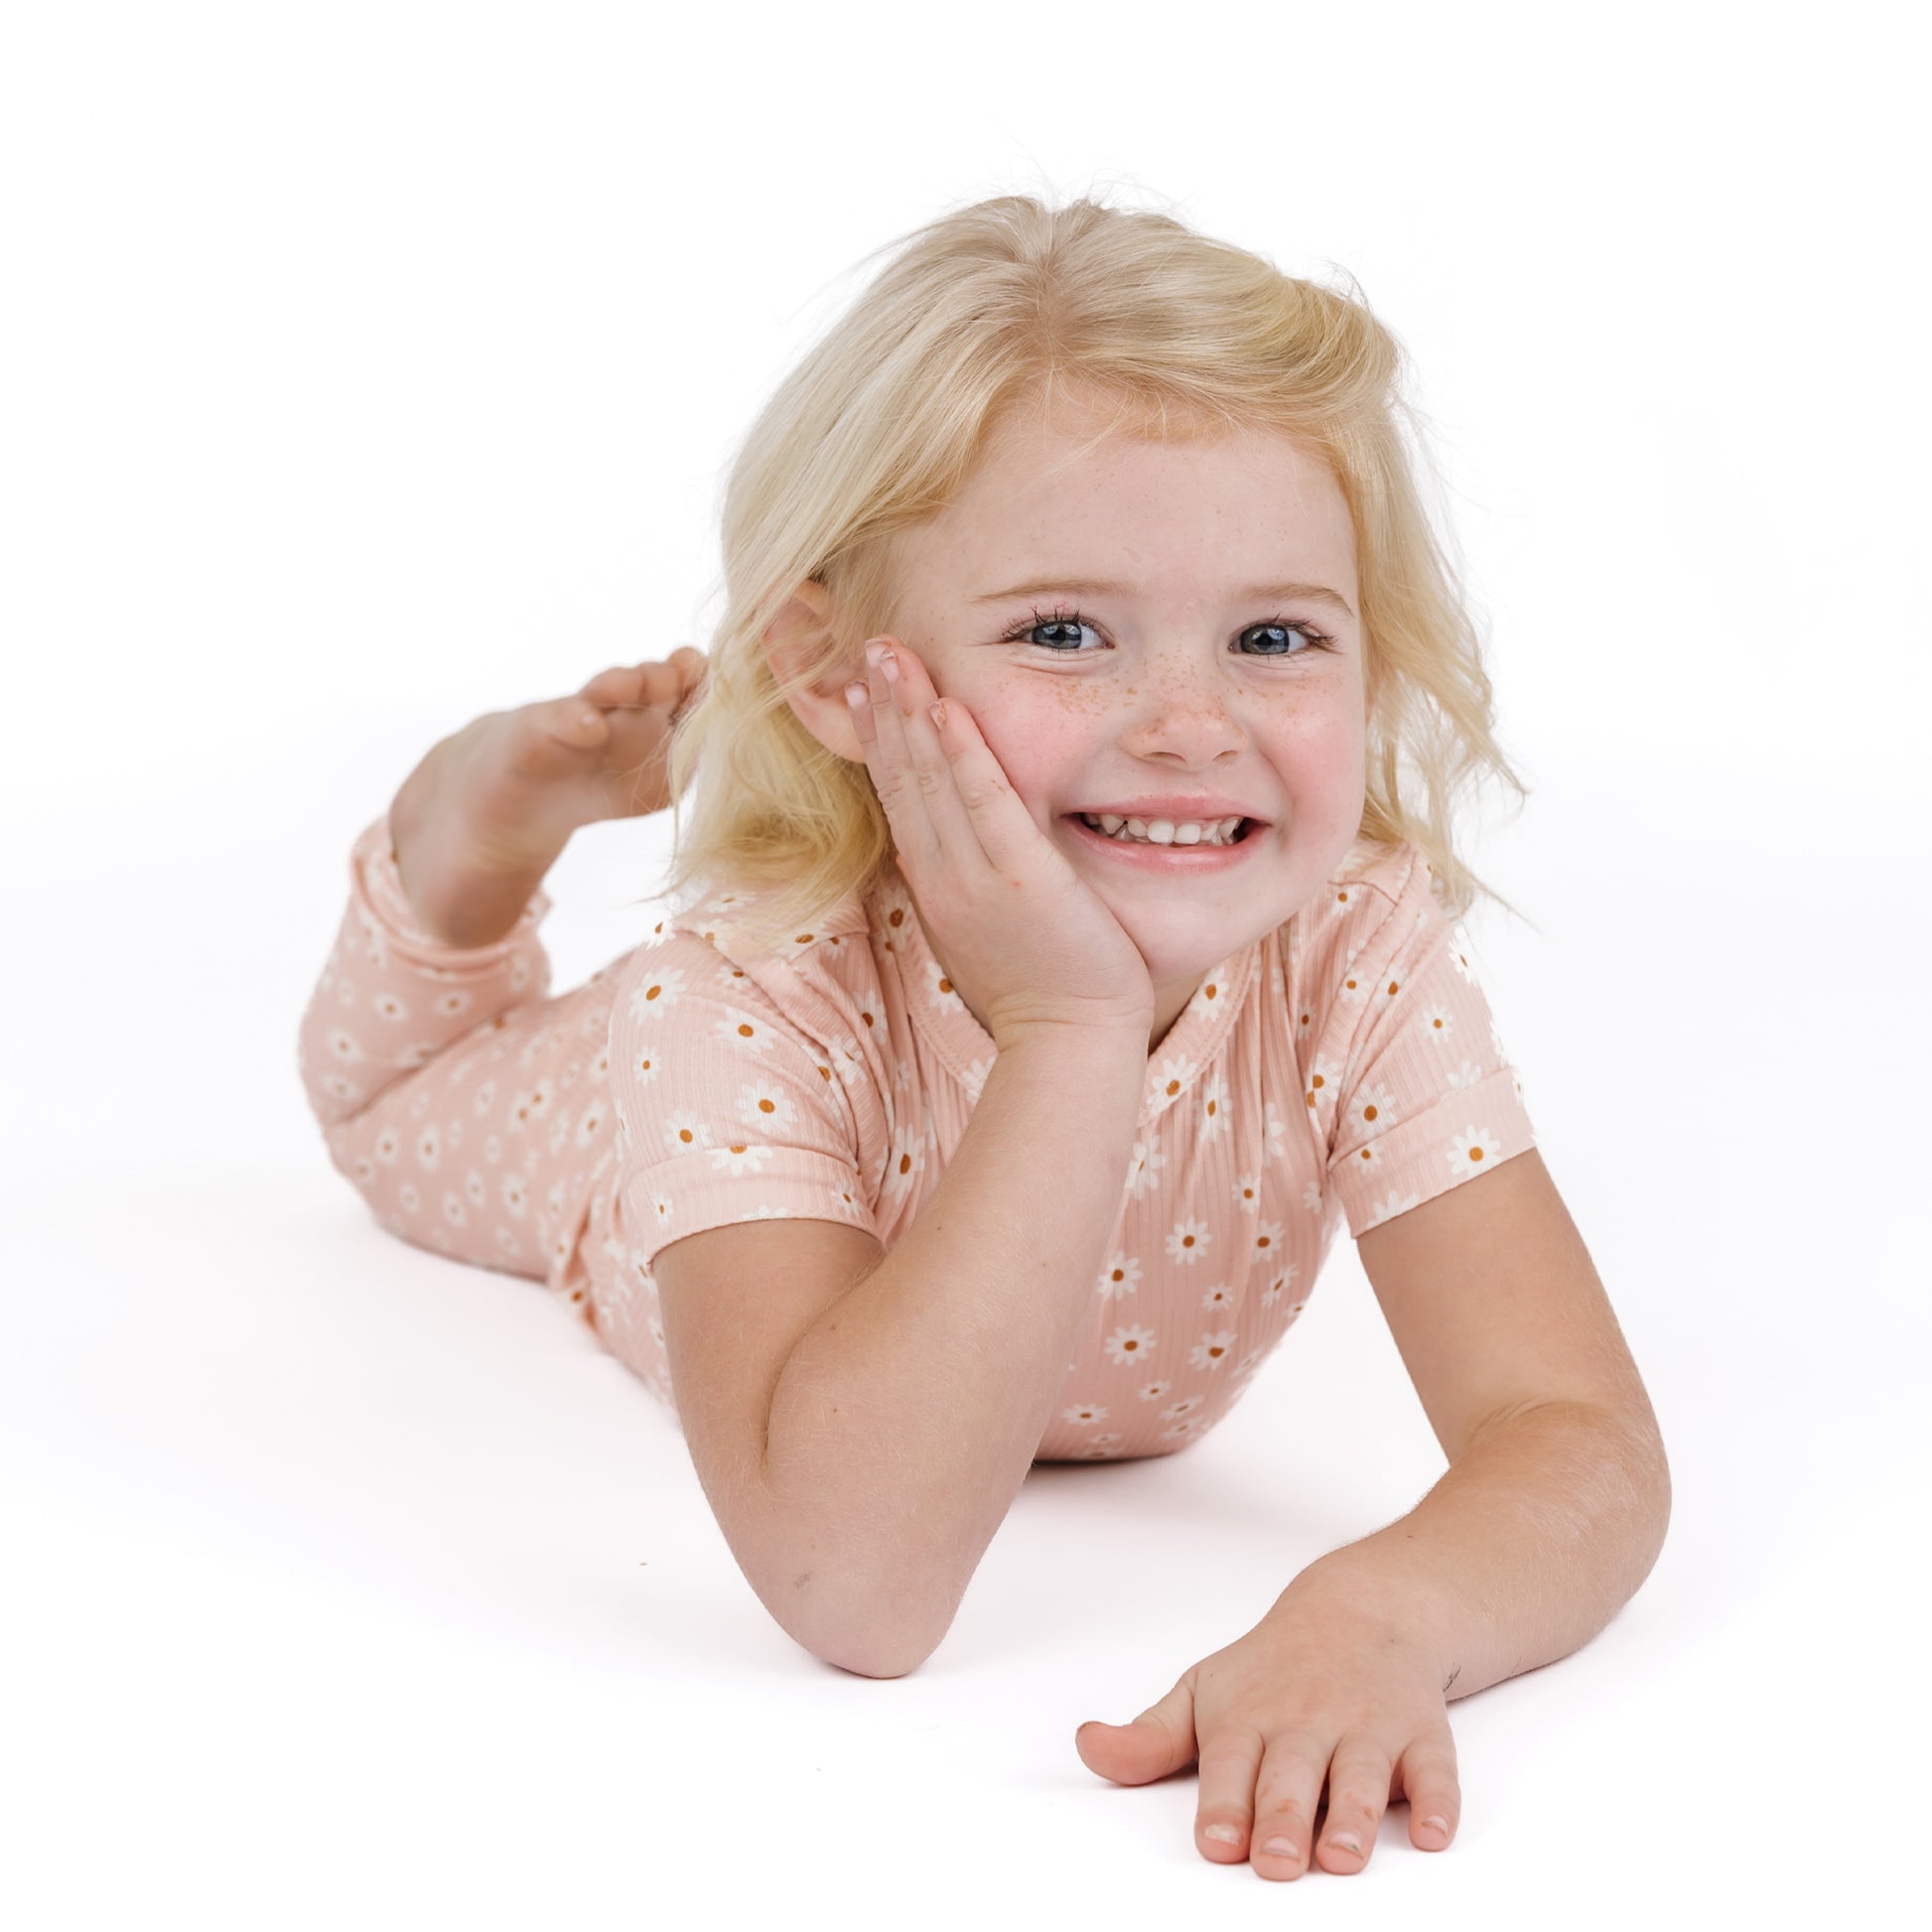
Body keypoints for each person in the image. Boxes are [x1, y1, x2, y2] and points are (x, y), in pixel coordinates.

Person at [297, 193, 1669, 1882]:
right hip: (621, 1153)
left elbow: (1579, 1435)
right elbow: (855, 1586)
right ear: (829, 669)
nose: (1188, 724)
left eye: (1274, 635)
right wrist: (1069, 1025)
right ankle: (471, 836)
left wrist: (1384, 1610)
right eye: (1063, 632)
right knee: (392, 1105)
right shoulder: (729, 996)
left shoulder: (1349, 944)